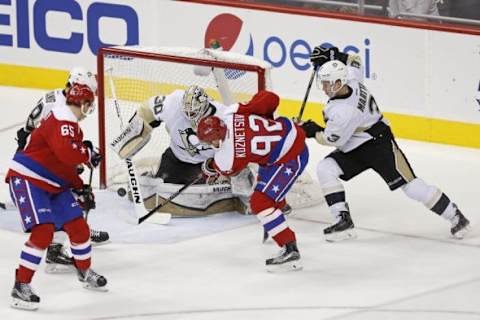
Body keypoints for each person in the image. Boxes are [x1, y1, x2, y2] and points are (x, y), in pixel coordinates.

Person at [301, 45, 470, 242]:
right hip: (356, 144)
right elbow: (355, 60)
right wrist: (335, 56)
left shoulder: (344, 111)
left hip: (379, 145)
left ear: (341, 82)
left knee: (411, 187)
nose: (326, 88)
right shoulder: (353, 80)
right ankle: (342, 220)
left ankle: (455, 216)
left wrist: (311, 131)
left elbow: (332, 139)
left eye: (331, 83)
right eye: (325, 83)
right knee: (325, 168)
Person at [5, 75, 107, 310]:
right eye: (88, 106)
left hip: (51, 182)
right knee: (43, 231)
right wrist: (87, 155)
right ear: (84, 104)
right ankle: (20, 286)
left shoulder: (71, 126)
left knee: (79, 228)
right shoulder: (63, 117)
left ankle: (84, 271)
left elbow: (64, 164)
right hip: (28, 179)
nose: (88, 111)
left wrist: (79, 185)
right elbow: (68, 154)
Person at [112, 85, 292, 217]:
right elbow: (147, 109)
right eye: (187, 113)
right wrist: (133, 134)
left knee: (232, 175)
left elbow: (239, 147)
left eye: (195, 113)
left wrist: (223, 168)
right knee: (166, 184)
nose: (191, 118)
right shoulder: (174, 102)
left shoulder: (224, 116)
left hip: (209, 163)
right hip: (176, 158)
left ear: (206, 106)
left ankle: (253, 200)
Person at [196, 90, 308, 272]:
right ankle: (279, 210)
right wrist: (254, 110)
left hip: (290, 156)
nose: (211, 146)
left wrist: (210, 168)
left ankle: (289, 249)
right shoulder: (233, 113)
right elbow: (272, 99)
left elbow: (225, 169)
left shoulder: (228, 156)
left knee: (259, 202)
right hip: (289, 135)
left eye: (211, 142)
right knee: (263, 179)